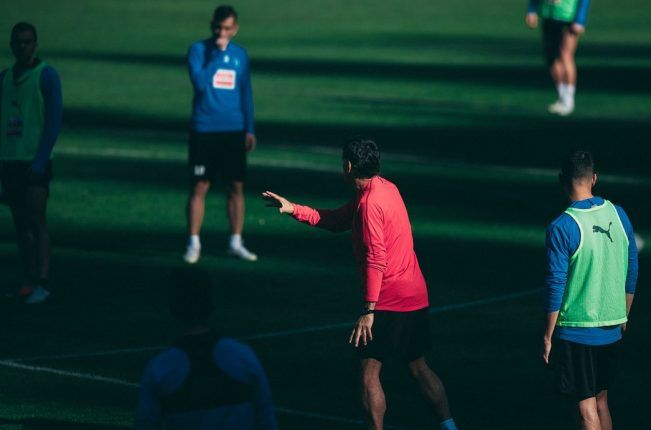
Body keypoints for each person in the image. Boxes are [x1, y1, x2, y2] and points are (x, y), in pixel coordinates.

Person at [262, 138, 459, 430]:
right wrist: (294, 209)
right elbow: (336, 220)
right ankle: (449, 426)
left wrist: (369, 310)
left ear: (348, 166)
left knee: (369, 371)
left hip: (387, 299)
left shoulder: (368, 205)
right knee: (418, 366)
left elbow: (375, 259)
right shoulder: (385, 188)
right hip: (414, 292)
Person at [541, 151, 639, 429]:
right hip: (612, 325)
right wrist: (624, 314)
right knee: (601, 401)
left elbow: (556, 283)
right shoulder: (618, 214)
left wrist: (548, 334)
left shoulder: (562, 227)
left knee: (585, 409)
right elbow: (632, 268)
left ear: (562, 180)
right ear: (594, 178)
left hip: (577, 329)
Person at [135, 268, 277, 430]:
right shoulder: (244, 357)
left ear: (172, 307)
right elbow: (266, 421)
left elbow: (145, 423)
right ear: (211, 303)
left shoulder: (160, 369)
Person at [183, 5, 258, 264]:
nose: (221, 33)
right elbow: (201, 85)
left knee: (236, 186)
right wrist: (216, 55)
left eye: (227, 28)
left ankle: (235, 242)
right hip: (204, 129)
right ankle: (194, 242)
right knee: (199, 186)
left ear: (235, 29)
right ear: (211, 25)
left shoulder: (241, 56)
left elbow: (245, 93)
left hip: (234, 130)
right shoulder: (198, 51)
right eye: (218, 27)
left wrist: (250, 128)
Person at [0, 22, 62, 304]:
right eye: (18, 42)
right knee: (20, 224)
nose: (22, 47)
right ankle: (28, 278)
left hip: (34, 162)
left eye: (27, 42)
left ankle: (43, 281)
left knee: (37, 221)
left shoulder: (47, 75)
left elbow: (54, 121)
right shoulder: (4, 79)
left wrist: (41, 159)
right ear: (12, 45)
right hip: (10, 161)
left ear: (35, 44)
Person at [525, 0, 591, 116]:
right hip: (549, 14)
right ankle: (562, 95)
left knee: (566, 56)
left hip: (568, 16)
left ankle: (569, 99)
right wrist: (532, 9)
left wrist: (580, 20)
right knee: (551, 57)